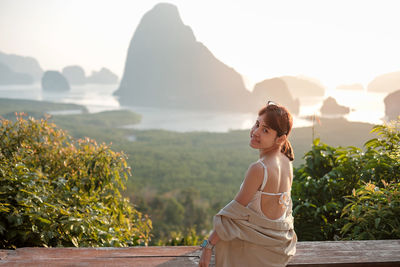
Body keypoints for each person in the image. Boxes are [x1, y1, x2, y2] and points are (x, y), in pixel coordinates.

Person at [199, 101, 297, 267]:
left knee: (220, 240)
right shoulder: (287, 161)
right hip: (283, 246)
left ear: (280, 138)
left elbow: (232, 214)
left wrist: (206, 246)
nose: (256, 132)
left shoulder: (259, 168)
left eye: (265, 130)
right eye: (257, 124)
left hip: (261, 252)